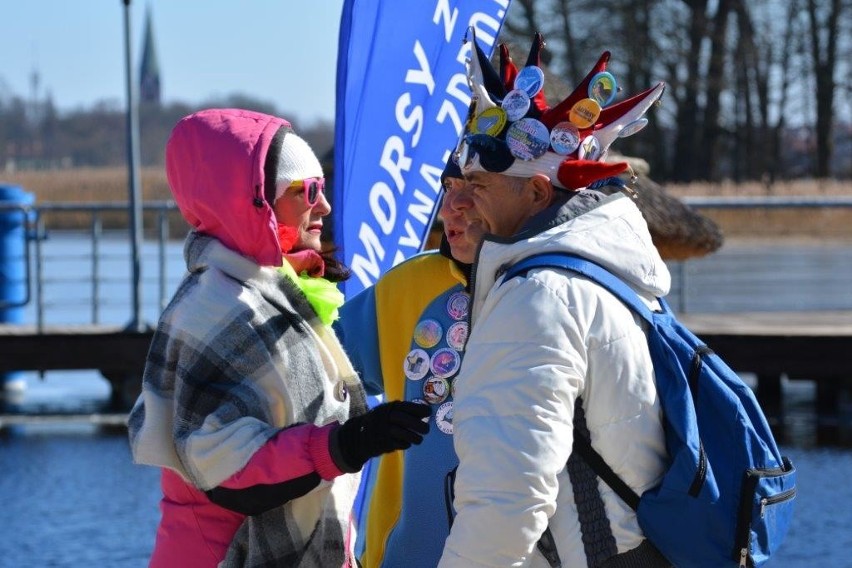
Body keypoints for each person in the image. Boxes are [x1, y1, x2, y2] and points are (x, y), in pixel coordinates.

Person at [127, 108, 429, 568]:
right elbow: (224, 465)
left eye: (322, 188)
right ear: (255, 202)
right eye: (307, 191)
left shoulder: (276, 293)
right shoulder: (216, 309)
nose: (323, 207)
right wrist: (345, 444)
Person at [436, 36, 674, 567]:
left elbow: (507, 498)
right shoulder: (613, 274)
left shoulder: (538, 296)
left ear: (539, 195)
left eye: (478, 183)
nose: (459, 201)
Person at [334, 156, 471, 568]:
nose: (448, 208)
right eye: (447, 188)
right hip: (402, 555)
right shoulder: (407, 284)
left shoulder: (565, 291)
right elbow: (306, 380)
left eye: (473, 189)